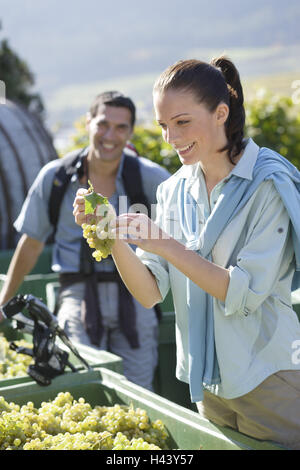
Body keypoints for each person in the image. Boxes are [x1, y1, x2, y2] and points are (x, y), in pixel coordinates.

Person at [73, 58, 300, 449]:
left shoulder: (268, 185)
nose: (170, 138)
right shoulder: (173, 190)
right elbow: (149, 294)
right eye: (163, 126)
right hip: (207, 382)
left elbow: (240, 294)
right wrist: (109, 232)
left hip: (269, 377)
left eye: (181, 122)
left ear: (221, 113)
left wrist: (163, 243)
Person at [0, 91, 170, 391]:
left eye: (121, 128)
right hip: (77, 296)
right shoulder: (57, 177)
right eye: (103, 124)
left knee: (140, 392)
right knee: (79, 384)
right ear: (89, 122)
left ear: (130, 132)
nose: (110, 135)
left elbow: (180, 234)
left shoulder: (149, 178)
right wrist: (3, 303)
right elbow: (31, 243)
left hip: (135, 295)